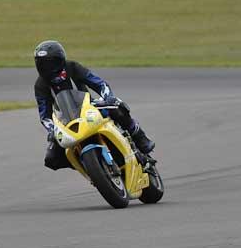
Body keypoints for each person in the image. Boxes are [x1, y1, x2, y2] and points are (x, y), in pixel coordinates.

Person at [33, 40, 155, 171]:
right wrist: (52, 130)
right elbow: (44, 116)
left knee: (117, 108)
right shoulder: (40, 85)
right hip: (65, 122)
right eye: (42, 64)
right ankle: (88, 167)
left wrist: (108, 97)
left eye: (50, 63)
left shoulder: (72, 67)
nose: (47, 68)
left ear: (60, 60)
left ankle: (142, 142)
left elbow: (99, 83)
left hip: (89, 109)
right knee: (51, 159)